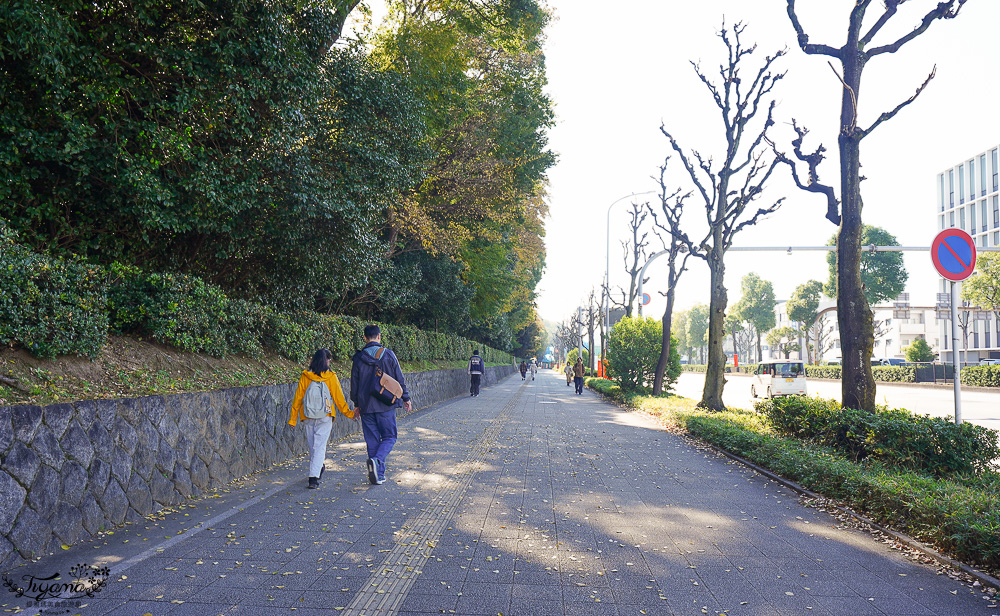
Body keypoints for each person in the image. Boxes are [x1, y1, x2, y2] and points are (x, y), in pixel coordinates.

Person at [351, 325, 412, 485]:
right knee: (390, 437)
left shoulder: (358, 358)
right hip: (385, 404)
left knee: (372, 440)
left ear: (365, 338)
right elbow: (399, 378)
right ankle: (378, 463)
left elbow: (354, 384)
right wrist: (405, 397)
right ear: (379, 336)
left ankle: (379, 475)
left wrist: (356, 404)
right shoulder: (388, 354)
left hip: (366, 406)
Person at [289, 349, 355, 489]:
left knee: (314, 446)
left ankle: (317, 468)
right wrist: (349, 413)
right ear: (327, 361)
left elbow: (298, 398)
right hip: (325, 416)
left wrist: (293, 419)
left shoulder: (306, 376)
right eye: (329, 359)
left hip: (307, 416)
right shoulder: (331, 377)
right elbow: (338, 398)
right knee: (319, 446)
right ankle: (313, 478)